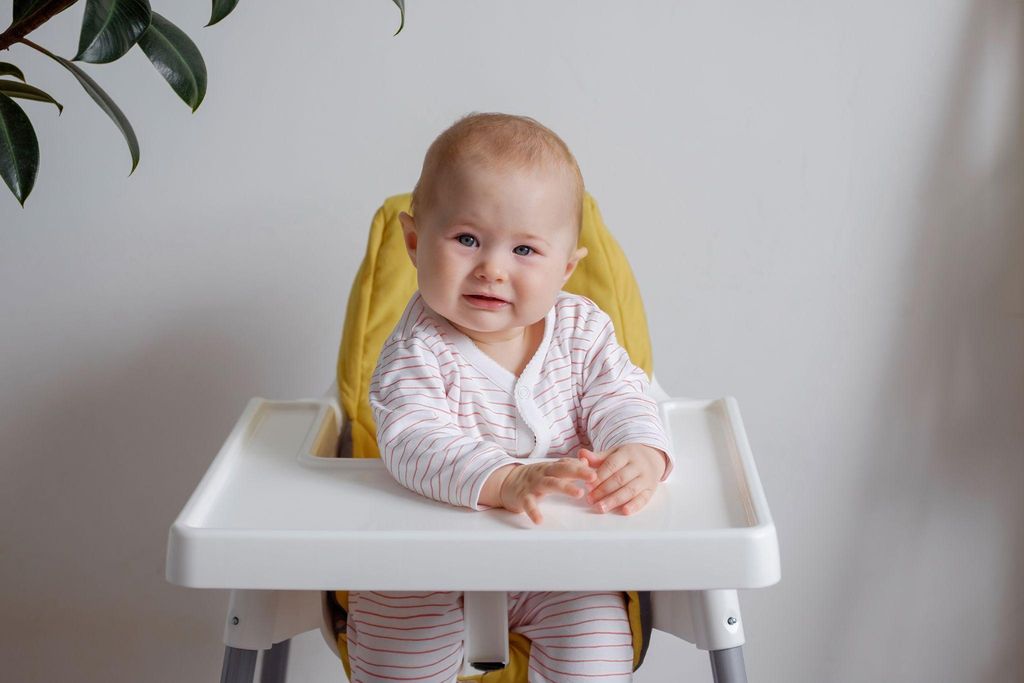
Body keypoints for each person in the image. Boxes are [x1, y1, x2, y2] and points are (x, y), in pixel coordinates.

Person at [345, 112, 673, 683]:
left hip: (559, 561)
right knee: (395, 656)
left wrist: (639, 451)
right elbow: (413, 440)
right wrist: (502, 480)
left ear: (566, 269)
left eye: (525, 250)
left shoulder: (583, 331)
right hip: (423, 565)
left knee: (596, 653)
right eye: (467, 239)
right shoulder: (416, 350)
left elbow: (622, 394)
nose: (492, 269)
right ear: (415, 242)